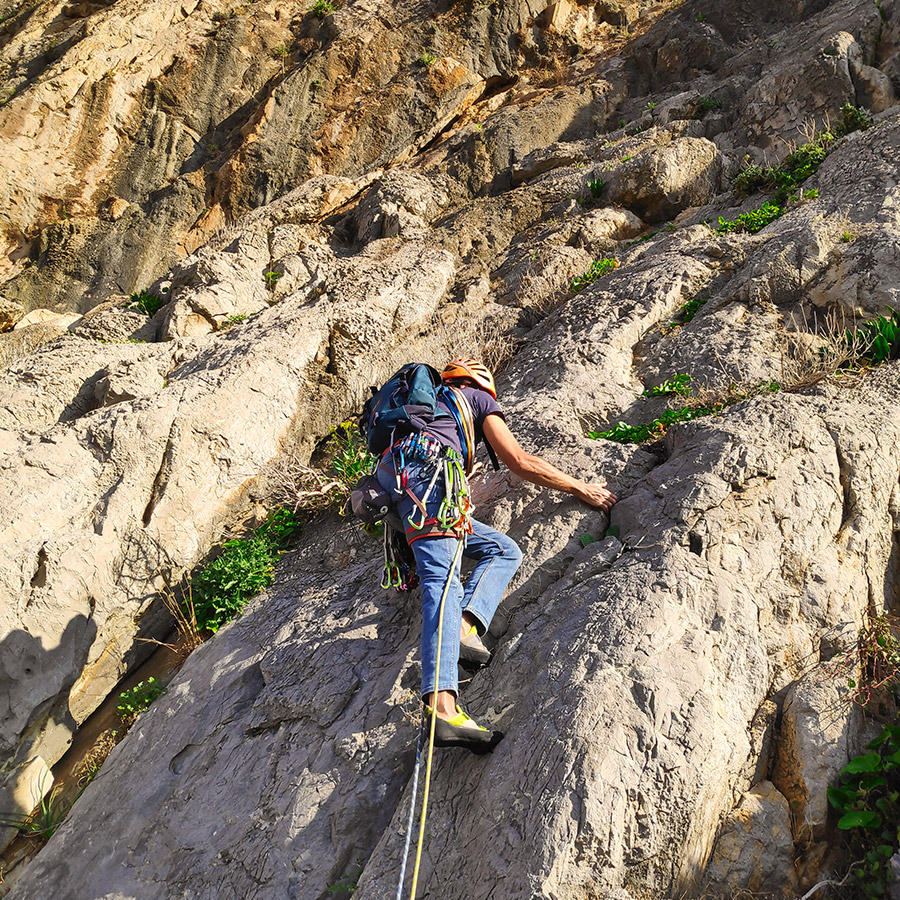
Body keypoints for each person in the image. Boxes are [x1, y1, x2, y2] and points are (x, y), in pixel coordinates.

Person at [376, 358, 616, 753]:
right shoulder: (476, 399)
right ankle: (442, 709)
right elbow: (518, 461)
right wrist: (578, 487)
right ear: (481, 384)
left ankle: (465, 627)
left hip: (399, 491)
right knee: (443, 580)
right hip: (430, 483)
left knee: (503, 549)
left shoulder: (423, 411)